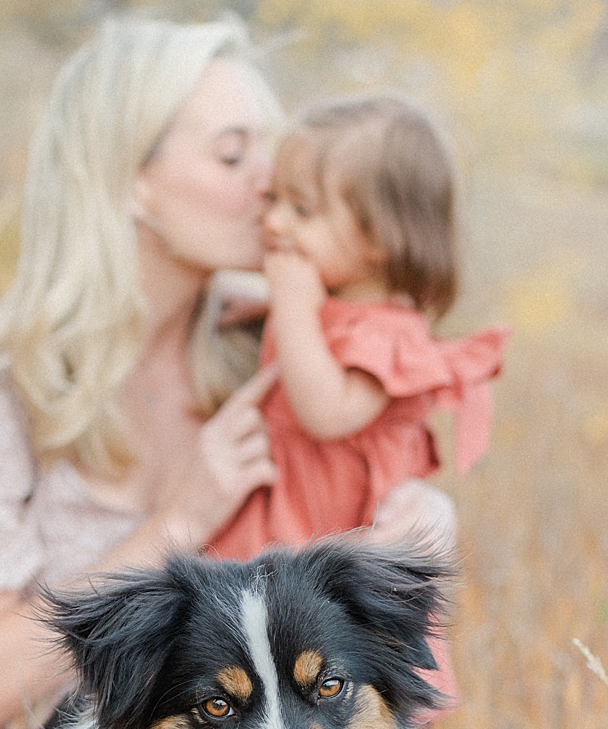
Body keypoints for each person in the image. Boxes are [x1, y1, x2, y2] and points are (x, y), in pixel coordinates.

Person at [0, 19, 452, 729]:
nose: (270, 181)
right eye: (233, 154)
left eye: (269, 147)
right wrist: (177, 526)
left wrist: (415, 532)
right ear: (127, 177)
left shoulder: (273, 356)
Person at [208, 95, 508, 561]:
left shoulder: (392, 337)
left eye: (301, 210)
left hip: (320, 530)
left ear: (380, 239)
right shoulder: (331, 307)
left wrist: (292, 313)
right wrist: (270, 310)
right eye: (274, 199)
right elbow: (323, 334)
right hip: (281, 507)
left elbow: (326, 412)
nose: (273, 220)